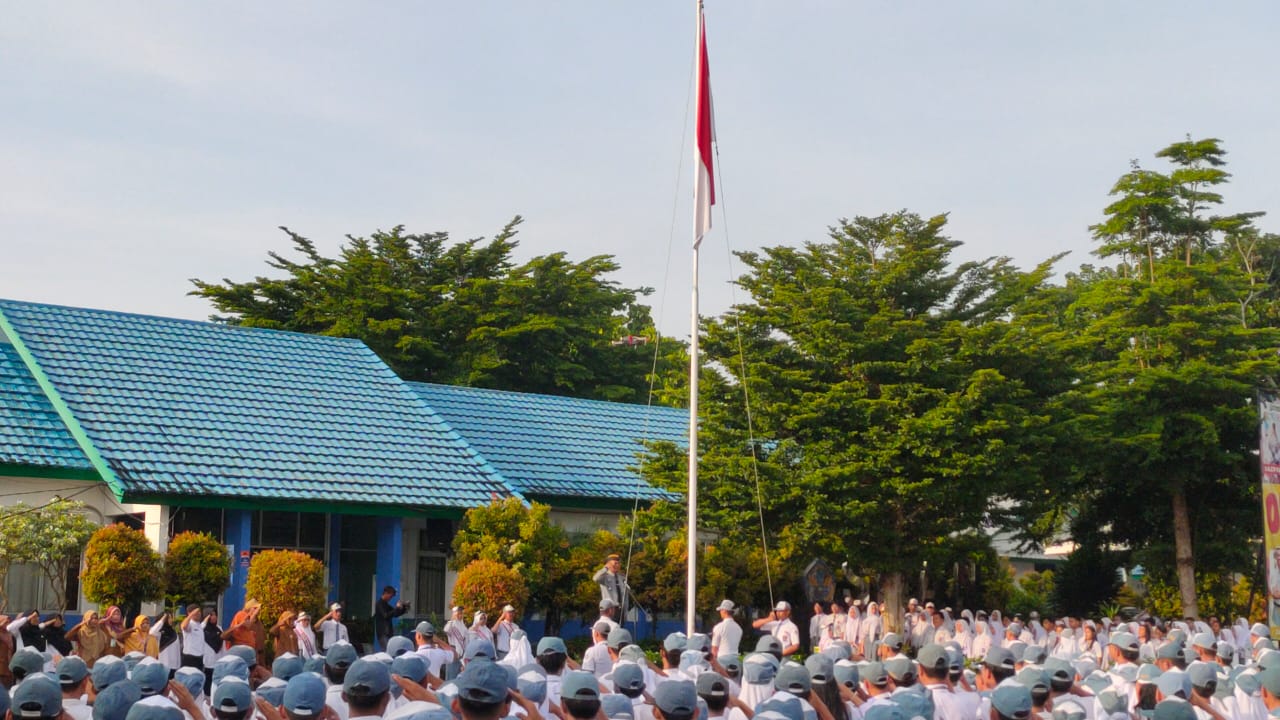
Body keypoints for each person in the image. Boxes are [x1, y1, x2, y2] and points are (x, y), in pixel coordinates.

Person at [374, 586, 408, 650]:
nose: (391, 598)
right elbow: (385, 615)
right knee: (388, 651)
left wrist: (404, 608)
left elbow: (395, 614)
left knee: (391, 650)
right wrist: (397, 608)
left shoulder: (386, 604)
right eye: (390, 596)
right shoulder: (379, 604)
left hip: (389, 633)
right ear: (386, 593)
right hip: (383, 633)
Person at [181, 604, 209, 674]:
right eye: (196, 612)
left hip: (199, 658)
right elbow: (183, 626)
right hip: (190, 658)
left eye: (199, 612)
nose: (198, 614)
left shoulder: (199, 625)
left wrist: (209, 616)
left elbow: (204, 623)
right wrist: (191, 615)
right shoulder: (190, 624)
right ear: (189, 613)